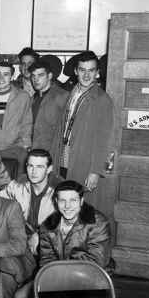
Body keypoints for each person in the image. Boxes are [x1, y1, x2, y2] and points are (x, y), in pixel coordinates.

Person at [13, 180, 113, 298]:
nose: (67, 206)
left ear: (81, 200)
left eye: (73, 200)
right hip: (60, 277)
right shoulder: (47, 226)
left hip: (92, 279)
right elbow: (46, 262)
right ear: (56, 201)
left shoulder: (98, 222)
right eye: (62, 200)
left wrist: (61, 274)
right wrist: (57, 282)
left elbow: (96, 264)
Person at [49, 51, 115, 217]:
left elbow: (104, 139)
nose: (86, 75)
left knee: (81, 204)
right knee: (63, 198)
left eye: (91, 70)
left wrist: (95, 171)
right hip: (65, 152)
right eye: (82, 70)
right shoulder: (72, 93)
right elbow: (60, 129)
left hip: (83, 158)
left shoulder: (102, 99)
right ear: (75, 71)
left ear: (97, 72)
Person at [0, 149, 62, 257]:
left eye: (39, 167)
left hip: (51, 244)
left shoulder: (61, 189)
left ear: (49, 169)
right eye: (30, 166)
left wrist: (41, 234)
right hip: (21, 240)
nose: (33, 172)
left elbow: (70, 219)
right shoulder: (19, 184)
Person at [29, 60, 69, 152]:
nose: (36, 80)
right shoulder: (32, 99)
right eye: (33, 76)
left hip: (55, 153)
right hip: (35, 152)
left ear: (49, 76)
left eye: (40, 75)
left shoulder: (62, 96)